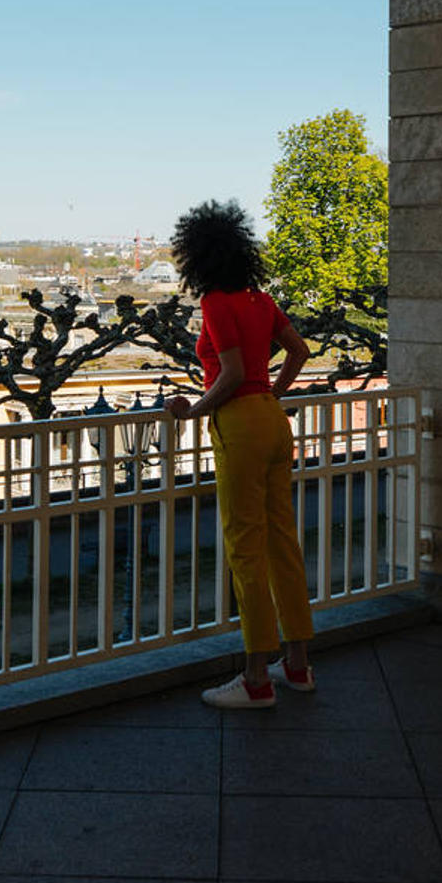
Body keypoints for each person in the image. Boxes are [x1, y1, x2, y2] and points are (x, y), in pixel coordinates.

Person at [165, 199, 316, 709]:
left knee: (244, 547)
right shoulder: (260, 300)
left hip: (240, 425)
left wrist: (193, 411)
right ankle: (297, 666)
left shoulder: (214, 303)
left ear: (198, 257)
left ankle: (256, 679)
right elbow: (300, 351)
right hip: (273, 420)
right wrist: (274, 392)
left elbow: (228, 375)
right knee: (283, 543)